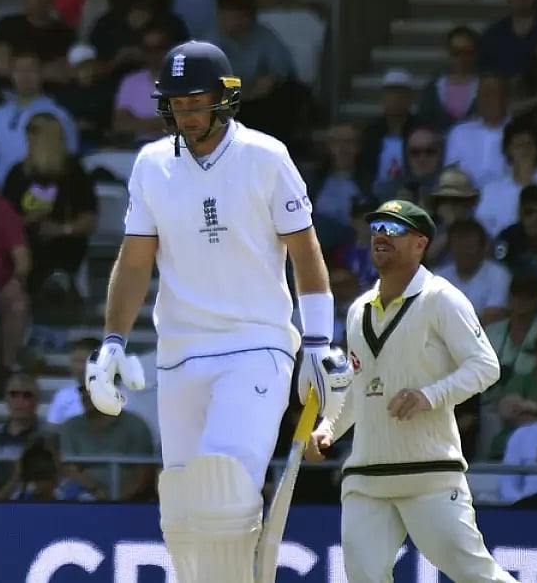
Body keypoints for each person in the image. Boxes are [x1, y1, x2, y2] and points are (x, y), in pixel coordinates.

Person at [85, 40, 353, 582]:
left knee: (223, 491)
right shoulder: (152, 164)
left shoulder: (266, 156)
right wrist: (112, 341)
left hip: (257, 347)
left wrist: (319, 344)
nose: (185, 114)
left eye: (195, 101)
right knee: (183, 513)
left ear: (225, 98)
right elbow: (135, 263)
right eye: (176, 103)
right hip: (179, 353)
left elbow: (305, 252)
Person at [307, 199, 516, 583]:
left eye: (394, 228)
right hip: (366, 476)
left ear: (421, 243)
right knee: (365, 578)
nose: (381, 235)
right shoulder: (359, 310)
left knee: (476, 575)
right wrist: (328, 429)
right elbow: (359, 387)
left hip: (430, 473)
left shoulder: (441, 298)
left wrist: (429, 395)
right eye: (376, 228)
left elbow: (486, 367)